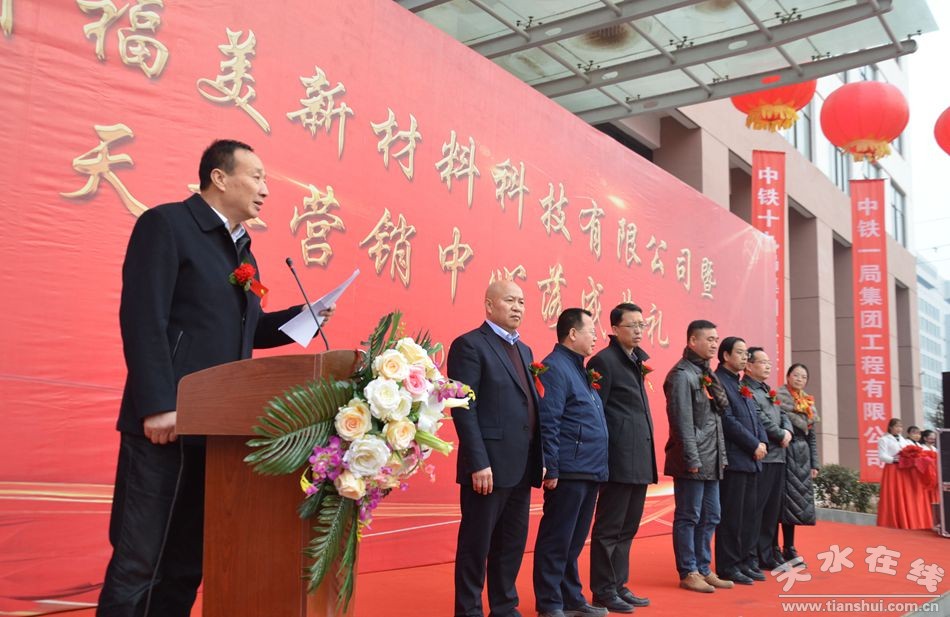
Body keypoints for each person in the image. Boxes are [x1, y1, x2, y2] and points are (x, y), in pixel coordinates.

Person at [97, 140, 334, 617]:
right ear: (220, 178)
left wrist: (305, 317)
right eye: (257, 177)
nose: (265, 189)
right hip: (164, 426)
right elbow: (143, 318)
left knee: (186, 563)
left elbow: (249, 329)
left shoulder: (242, 250)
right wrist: (158, 404)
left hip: (216, 431)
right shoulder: (167, 225)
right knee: (140, 561)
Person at [447, 280, 544, 617]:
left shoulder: (525, 351)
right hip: (487, 467)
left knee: (511, 543)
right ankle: (469, 610)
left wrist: (541, 456)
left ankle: (504, 606)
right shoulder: (470, 345)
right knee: (476, 544)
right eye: (509, 300)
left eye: (522, 301)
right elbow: (463, 407)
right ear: (489, 305)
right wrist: (478, 462)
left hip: (522, 464)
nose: (517, 307)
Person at [534, 309, 609, 617]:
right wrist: (551, 467)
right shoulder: (555, 367)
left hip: (589, 469)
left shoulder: (579, 369)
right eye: (591, 330)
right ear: (573, 333)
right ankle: (549, 603)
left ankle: (571, 599)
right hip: (569, 470)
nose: (596, 337)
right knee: (557, 539)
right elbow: (549, 420)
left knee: (574, 542)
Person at [587, 303, 656, 613]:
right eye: (632, 325)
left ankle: (618, 585)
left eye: (642, 324)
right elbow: (596, 412)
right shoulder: (604, 361)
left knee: (628, 527)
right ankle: (603, 590)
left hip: (639, 458)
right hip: (617, 460)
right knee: (609, 528)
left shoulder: (635, 360)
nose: (639, 330)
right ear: (614, 329)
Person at [663, 319, 732, 594]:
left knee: (711, 515)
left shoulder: (705, 373)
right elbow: (681, 422)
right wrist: (691, 459)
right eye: (709, 339)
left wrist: (712, 380)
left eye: (716, 339)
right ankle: (688, 571)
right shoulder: (681, 375)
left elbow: (721, 412)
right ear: (693, 341)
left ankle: (704, 568)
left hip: (712, 458)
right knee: (689, 516)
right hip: (692, 459)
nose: (715, 344)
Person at [714, 337, 768, 585]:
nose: (745, 357)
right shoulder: (719, 381)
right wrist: (753, 444)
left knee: (748, 516)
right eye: (740, 352)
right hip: (735, 459)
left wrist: (762, 441)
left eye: (747, 353)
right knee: (732, 517)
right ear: (726, 355)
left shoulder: (739, 383)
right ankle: (729, 565)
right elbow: (727, 420)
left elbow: (755, 418)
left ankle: (745, 561)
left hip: (751, 459)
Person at [742, 347, 792, 571]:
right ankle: (752, 555)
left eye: (769, 362)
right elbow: (759, 418)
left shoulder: (768, 390)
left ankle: (767, 554)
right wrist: (780, 434)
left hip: (779, 457)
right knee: (757, 510)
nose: (768, 366)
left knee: (772, 511)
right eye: (763, 362)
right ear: (749, 365)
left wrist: (787, 431)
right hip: (764, 457)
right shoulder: (746, 389)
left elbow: (784, 415)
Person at [775, 363, 820, 566]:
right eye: (796, 375)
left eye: (803, 376)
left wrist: (814, 464)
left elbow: (812, 437)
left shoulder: (808, 403)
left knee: (794, 504)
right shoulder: (778, 397)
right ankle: (773, 547)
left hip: (801, 458)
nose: (799, 379)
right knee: (778, 503)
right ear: (788, 377)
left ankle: (789, 547)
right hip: (783, 452)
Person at [876, 417, 932, 529]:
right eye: (896, 426)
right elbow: (882, 456)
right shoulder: (884, 439)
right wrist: (895, 460)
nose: (899, 429)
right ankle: (892, 521)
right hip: (892, 469)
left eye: (900, 427)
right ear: (890, 427)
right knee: (894, 494)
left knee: (905, 494)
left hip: (904, 469)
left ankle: (906, 520)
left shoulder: (903, 440)